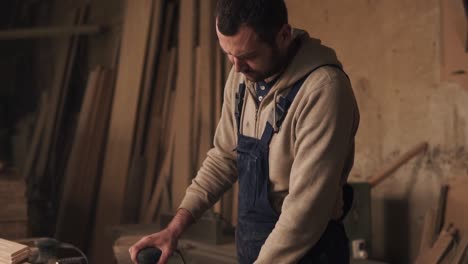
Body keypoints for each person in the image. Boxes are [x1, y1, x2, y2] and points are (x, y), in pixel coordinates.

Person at [129, 0, 359, 263]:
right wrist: (175, 228)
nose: (236, 68)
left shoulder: (324, 90)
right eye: (229, 54)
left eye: (248, 56)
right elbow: (224, 157)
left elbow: (306, 210)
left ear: (283, 36)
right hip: (254, 245)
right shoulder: (243, 76)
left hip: (309, 251)